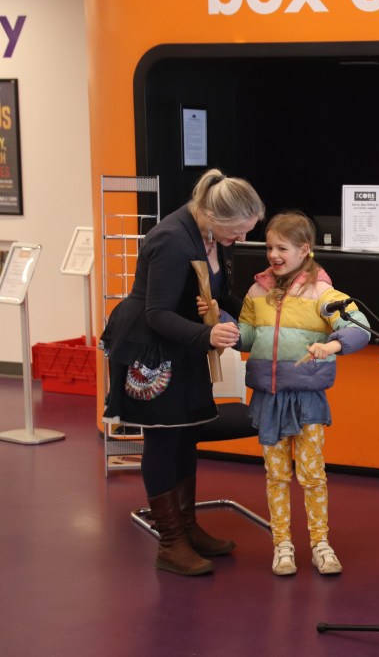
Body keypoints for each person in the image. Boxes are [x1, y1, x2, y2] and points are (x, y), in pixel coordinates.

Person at [100, 168, 265, 576]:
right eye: (239, 231)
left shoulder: (212, 235)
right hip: (152, 348)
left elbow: (221, 291)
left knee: (186, 431)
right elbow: (156, 314)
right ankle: (170, 542)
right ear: (215, 217)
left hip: (186, 344)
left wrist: (262, 315)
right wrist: (208, 336)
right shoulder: (172, 240)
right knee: (163, 439)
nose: (241, 239)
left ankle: (188, 525)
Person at [232, 211, 370, 576]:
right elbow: (245, 338)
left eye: (282, 247)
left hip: (306, 398)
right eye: (269, 247)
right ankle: (282, 545)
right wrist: (221, 321)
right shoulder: (256, 291)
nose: (273, 255)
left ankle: (320, 543)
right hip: (269, 398)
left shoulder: (322, 292)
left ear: (304, 250)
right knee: (276, 476)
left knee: (312, 475)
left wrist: (332, 346)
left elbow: (359, 328)